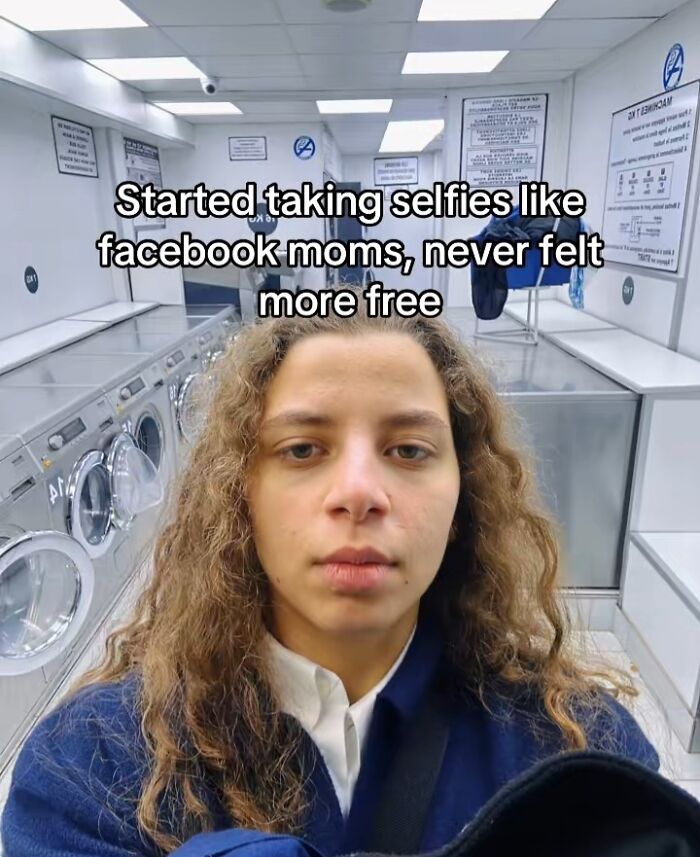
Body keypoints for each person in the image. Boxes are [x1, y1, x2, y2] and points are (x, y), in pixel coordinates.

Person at [1, 293, 658, 857]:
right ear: (240, 495)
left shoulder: (583, 758)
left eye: (409, 449)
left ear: (464, 499)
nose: (358, 492)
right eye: (302, 449)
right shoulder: (90, 769)